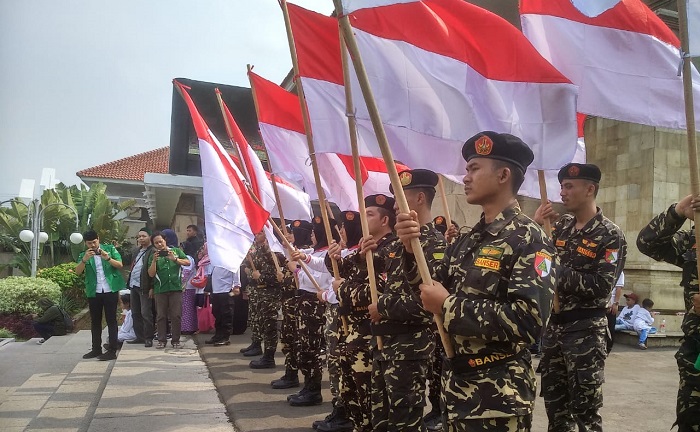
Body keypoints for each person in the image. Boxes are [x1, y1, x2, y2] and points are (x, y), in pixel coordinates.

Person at [396, 132, 556, 431]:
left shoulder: (529, 239)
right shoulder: (469, 239)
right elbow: (431, 287)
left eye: (474, 168)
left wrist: (449, 306)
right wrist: (409, 249)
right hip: (458, 388)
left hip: (497, 395)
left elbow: (529, 321)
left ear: (503, 175)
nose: (466, 177)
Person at [536, 162, 627, 432]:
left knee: (585, 413)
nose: (562, 193)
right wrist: (536, 224)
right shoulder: (559, 227)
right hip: (554, 331)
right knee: (555, 409)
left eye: (569, 186)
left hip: (586, 332)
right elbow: (537, 266)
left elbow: (601, 286)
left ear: (590, 189)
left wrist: (556, 271)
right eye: (562, 186)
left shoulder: (610, 234)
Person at [365, 168, 445, 432]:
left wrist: (383, 307)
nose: (396, 205)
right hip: (385, 343)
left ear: (420, 199)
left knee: (405, 421)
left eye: (401, 198)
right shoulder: (397, 245)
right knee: (381, 419)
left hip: (410, 349)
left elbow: (428, 306)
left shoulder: (435, 245)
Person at [323, 198, 396, 432]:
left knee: (371, 402)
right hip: (352, 336)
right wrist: (332, 257)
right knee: (351, 396)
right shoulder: (367, 246)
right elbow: (343, 269)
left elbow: (381, 292)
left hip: (371, 338)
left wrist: (342, 288)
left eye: (370, 214)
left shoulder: (390, 249)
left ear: (385, 220)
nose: (363, 218)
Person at [286, 215, 338, 407]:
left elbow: (319, 281)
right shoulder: (314, 252)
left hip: (316, 304)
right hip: (305, 303)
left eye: (317, 233)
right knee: (304, 347)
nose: (313, 236)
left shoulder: (327, 255)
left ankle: (314, 389)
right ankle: (308, 386)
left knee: (312, 348)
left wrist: (297, 270)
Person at [270, 219, 313, 390]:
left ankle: (296, 376)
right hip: (289, 304)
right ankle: (290, 372)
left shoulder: (308, 254)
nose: (288, 236)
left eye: (292, 233)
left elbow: (304, 281)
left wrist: (289, 274)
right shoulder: (293, 252)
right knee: (288, 340)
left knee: (299, 343)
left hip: (300, 305)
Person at [75, 230, 125, 361]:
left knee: (111, 320)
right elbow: (77, 272)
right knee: (95, 321)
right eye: (89, 243)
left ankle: (112, 350)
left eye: (94, 242)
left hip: (110, 290)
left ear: (98, 239)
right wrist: (84, 260)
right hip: (94, 291)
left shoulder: (109, 249)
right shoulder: (83, 254)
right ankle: (96, 349)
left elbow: (120, 265)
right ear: (85, 243)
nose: (93, 245)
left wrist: (107, 258)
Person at [247, 231, 292, 369]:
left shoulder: (276, 253)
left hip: (270, 294)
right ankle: (264, 352)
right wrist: (251, 273)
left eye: (261, 232)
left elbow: (277, 277)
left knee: (269, 325)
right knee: (262, 322)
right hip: (261, 292)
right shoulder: (259, 250)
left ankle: (269, 356)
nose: (257, 235)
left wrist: (259, 276)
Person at [147, 230, 190, 349]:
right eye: (156, 243)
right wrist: (155, 261)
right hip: (160, 290)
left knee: (176, 315)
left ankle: (175, 340)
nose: (159, 244)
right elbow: (151, 274)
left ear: (165, 241)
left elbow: (187, 262)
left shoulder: (176, 251)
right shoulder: (153, 256)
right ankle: (162, 340)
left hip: (176, 289)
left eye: (161, 241)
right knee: (161, 316)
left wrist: (175, 259)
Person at [126, 228, 154, 348]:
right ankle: (140, 337)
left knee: (146, 313)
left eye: (143, 236)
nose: (141, 238)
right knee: (135, 312)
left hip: (145, 286)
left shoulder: (153, 251)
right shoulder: (136, 251)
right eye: (139, 236)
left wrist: (152, 287)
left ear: (150, 237)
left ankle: (148, 338)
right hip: (134, 285)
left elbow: (154, 271)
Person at [205, 265, 240, 346]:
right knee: (216, 313)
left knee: (226, 314)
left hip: (226, 289)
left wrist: (237, 285)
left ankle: (225, 337)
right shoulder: (216, 260)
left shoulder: (230, 260)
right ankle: (218, 335)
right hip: (216, 290)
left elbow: (236, 271)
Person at [606, 271, 625, 353]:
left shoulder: (618, 271)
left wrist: (615, 303)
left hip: (611, 305)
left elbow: (619, 288)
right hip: (601, 303)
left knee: (610, 328)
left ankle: (608, 348)